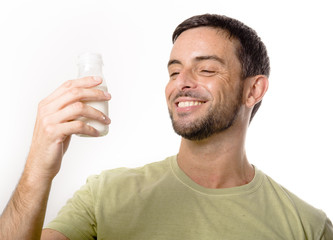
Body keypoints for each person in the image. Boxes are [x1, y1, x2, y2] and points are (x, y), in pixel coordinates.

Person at [0, 13, 332, 240]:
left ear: (253, 90)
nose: (180, 84)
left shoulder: (307, 227)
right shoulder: (105, 196)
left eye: (205, 70)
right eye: (174, 71)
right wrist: (37, 172)